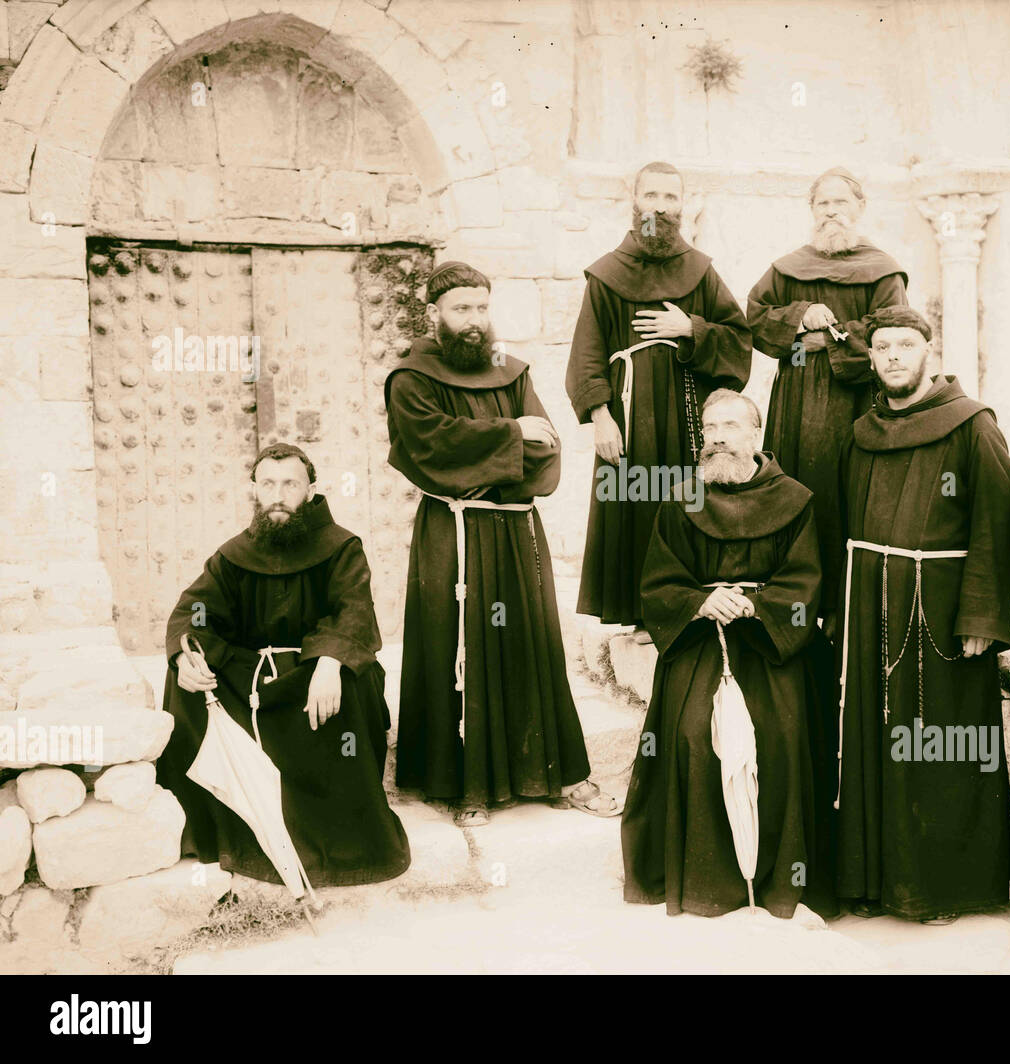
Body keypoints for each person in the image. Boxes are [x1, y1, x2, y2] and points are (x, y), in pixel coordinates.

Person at [384, 261, 617, 826]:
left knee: (532, 645)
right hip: (453, 533)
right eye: (461, 308)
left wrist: (486, 459)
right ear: (434, 313)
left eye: (481, 307)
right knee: (455, 649)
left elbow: (548, 448)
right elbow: (428, 448)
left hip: (514, 531)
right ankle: (466, 786)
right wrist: (509, 435)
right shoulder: (411, 378)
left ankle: (556, 773)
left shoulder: (510, 372)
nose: (474, 320)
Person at [834, 306, 1010, 924]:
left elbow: (998, 524)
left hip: (941, 614)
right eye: (881, 347)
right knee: (873, 741)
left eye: (904, 346)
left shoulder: (972, 427)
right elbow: (844, 533)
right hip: (868, 608)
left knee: (941, 748)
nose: (891, 357)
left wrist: (981, 619)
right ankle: (872, 883)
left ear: (927, 354)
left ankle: (945, 889)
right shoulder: (863, 431)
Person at [621, 389, 836, 919]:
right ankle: (703, 882)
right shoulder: (680, 498)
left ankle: (781, 880)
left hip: (770, 644)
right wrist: (699, 602)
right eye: (710, 427)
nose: (718, 437)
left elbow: (806, 580)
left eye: (731, 426)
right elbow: (657, 579)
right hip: (699, 640)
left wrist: (757, 607)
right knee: (692, 733)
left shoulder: (797, 499)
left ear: (756, 435)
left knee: (781, 736)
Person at [157, 443, 410, 886]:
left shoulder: (341, 547)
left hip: (314, 676)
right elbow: (194, 613)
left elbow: (354, 611)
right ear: (254, 491)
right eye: (268, 484)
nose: (278, 494)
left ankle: (346, 839)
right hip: (253, 679)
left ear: (311, 490)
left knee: (353, 680)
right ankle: (216, 830)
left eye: (290, 483)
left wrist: (330, 662)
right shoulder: (233, 555)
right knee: (185, 678)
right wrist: (185, 654)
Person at [566, 161, 752, 634]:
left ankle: (694, 604)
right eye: (652, 196)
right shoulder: (606, 275)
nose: (662, 208)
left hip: (690, 409)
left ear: (682, 205)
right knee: (637, 498)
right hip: (631, 414)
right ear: (634, 200)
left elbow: (738, 339)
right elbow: (587, 351)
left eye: (671, 198)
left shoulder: (701, 271)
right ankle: (641, 614)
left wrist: (690, 328)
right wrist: (600, 416)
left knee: (687, 501)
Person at [748, 166, 908, 587]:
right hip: (796, 404)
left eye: (840, 202)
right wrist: (800, 316)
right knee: (796, 492)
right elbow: (754, 317)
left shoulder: (882, 269)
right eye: (823, 203)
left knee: (852, 496)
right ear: (812, 210)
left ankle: (848, 606)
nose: (831, 211)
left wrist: (829, 341)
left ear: (860, 207)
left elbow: (894, 330)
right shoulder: (787, 268)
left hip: (857, 402)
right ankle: (794, 596)